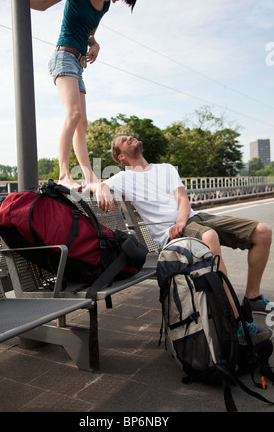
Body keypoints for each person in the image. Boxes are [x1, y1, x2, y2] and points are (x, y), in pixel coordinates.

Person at [93, 135, 274, 343]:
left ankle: (252, 297)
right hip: (170, 233)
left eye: (130, 136)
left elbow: (182, 198)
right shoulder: (122, 178)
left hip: (193, 218)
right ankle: (236, 320)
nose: (130, 137)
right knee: (209, 236)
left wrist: (181, 220)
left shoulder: (167, 168)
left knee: (263, 231)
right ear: (121, 156)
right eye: (124, 140)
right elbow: (98, 185)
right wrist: (102, 188)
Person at [11, 0, 138, 189]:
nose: (115, 0)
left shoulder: (105, 5)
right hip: (63, 57)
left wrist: (96, 44)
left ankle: (89, 177)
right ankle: (63, 174)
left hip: (78, 65)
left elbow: (89, 34)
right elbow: (43, 5)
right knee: (74, 114)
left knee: (82, 123)